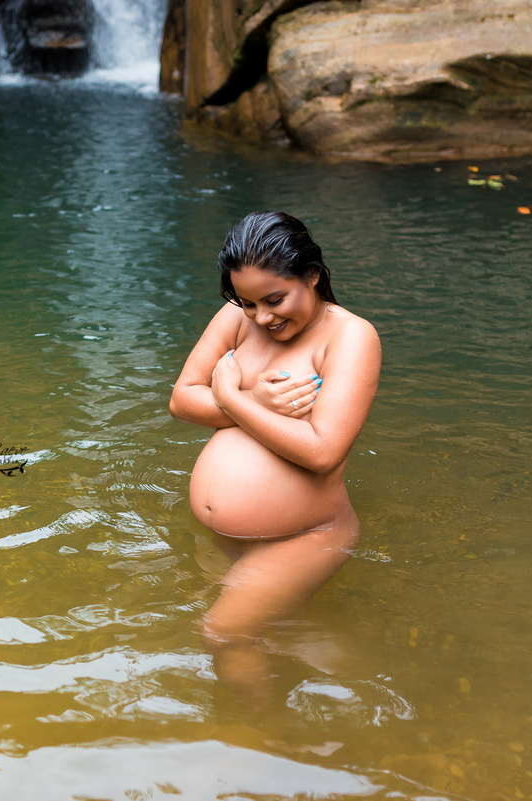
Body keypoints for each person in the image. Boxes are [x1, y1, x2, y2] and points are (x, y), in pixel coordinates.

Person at [169, 211, 381, 708]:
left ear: (311, 275)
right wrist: (255, 403)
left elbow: (324, 451)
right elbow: (181, 399)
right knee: (274, 630)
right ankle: (353, 682)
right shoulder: (237, 318)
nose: (262, 317)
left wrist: (237, 399)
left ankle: (259, 744)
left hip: (305, 536)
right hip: (223, 536)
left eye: (275, 299)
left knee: (222, 633)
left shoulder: (349, 337)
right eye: (247, 303)